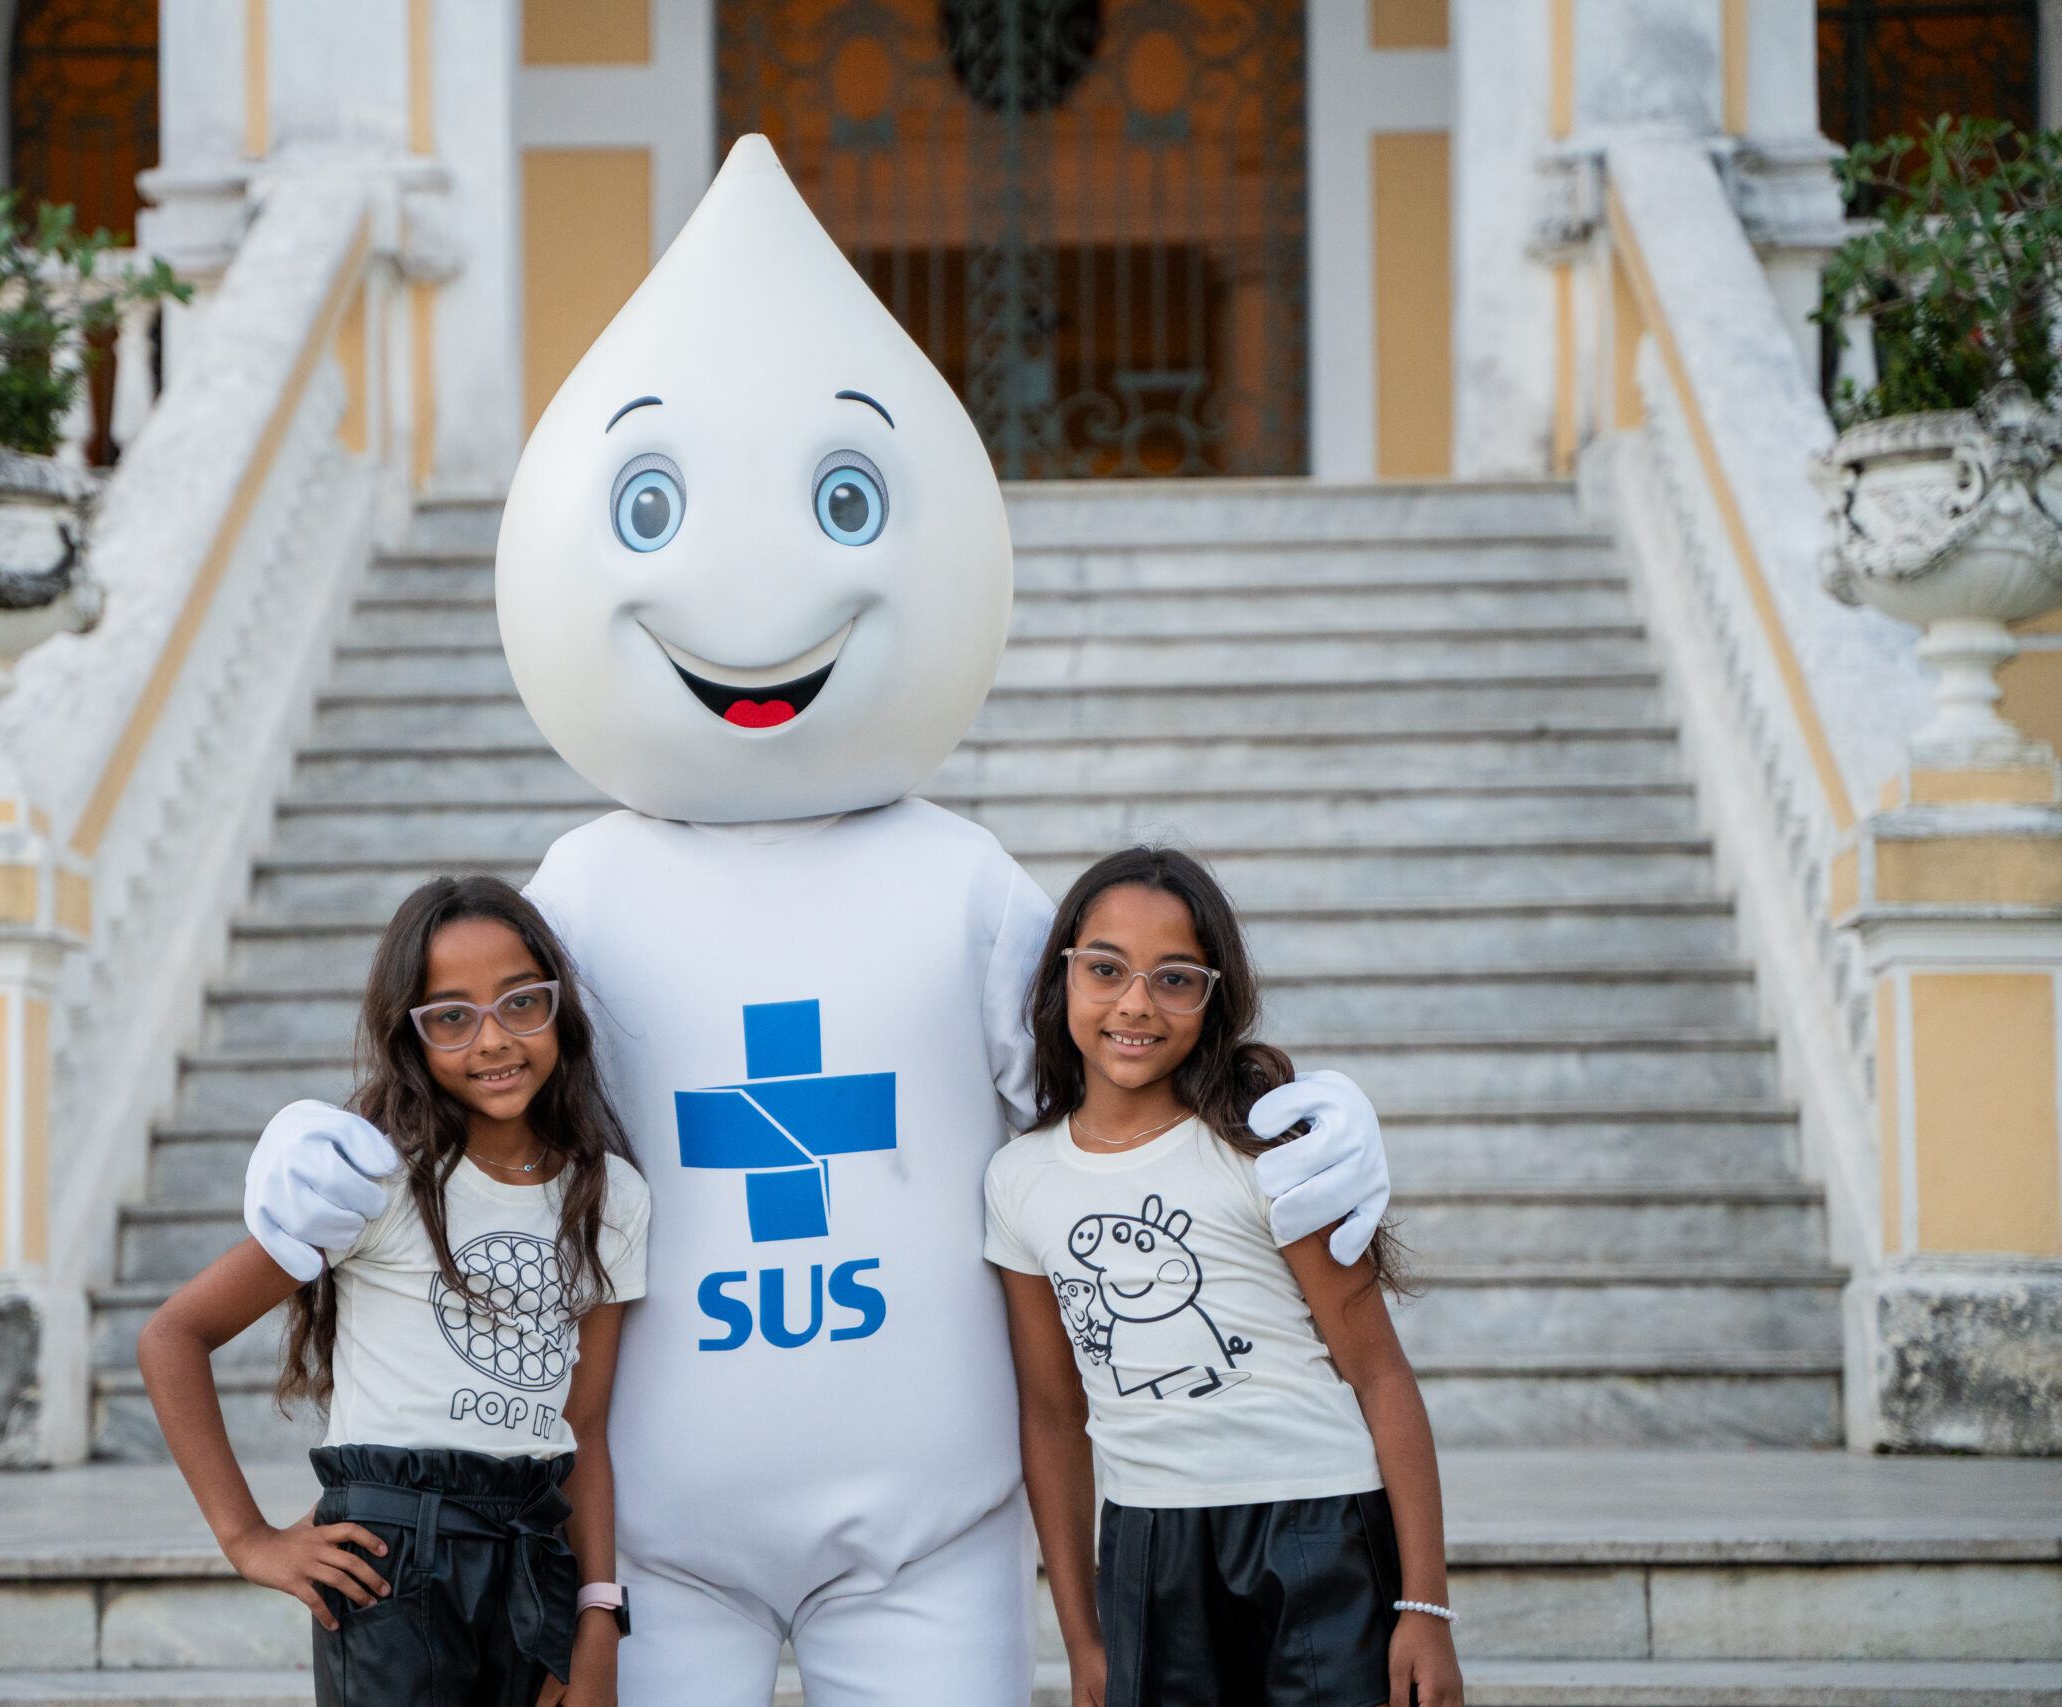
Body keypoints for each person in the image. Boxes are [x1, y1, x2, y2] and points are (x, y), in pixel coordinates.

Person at [242, 136, 1396, 1707]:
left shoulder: (964, 878)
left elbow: (1116, 1079)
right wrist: (315, 1143)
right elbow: (475, 1074)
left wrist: (1295, 1118)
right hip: (648, 1535)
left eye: (848, 498)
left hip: (936, 1527)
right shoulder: (582, 887)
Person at [142, 875, 650, 1707]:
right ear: (410, 1035)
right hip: (392, 1568)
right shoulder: (375, 1180)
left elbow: (584, 1427)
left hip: (535, 1561)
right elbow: (174, 1334)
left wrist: (599, 1615)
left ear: (560, 1005)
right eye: (452, 1016)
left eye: (522, 1001)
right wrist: (248, 1536)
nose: (494, 1038)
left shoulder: (611, 1196)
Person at [986, 846, 1463, 1707]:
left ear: (1214, 996)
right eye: (1106, 968)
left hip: (1317, 1526)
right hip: (1147, 1545)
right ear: (1061, 976)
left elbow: (1380, 1372)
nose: (1136, 1002)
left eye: (1174, 978)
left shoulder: (1267, 1148)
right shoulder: (1020, 1180)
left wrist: (1425, 1606)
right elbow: (1052, 1416)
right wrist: (1083, 1637)